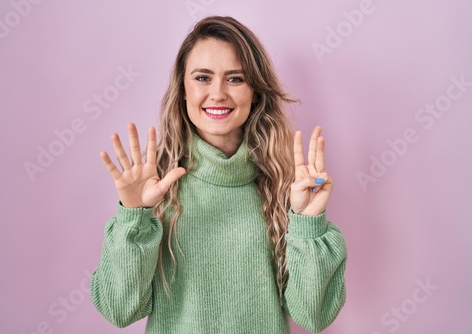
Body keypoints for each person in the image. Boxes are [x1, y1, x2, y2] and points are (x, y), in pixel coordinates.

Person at [90, 15, 346, 334]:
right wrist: (133, 216)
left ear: (254, 91)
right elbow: (119, 309)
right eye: (202, 77)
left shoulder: (287, 187)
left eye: (235, 78)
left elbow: (313, 316)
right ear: (183, 89)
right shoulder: (155, 187)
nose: (218, 93)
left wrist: (308, 224)